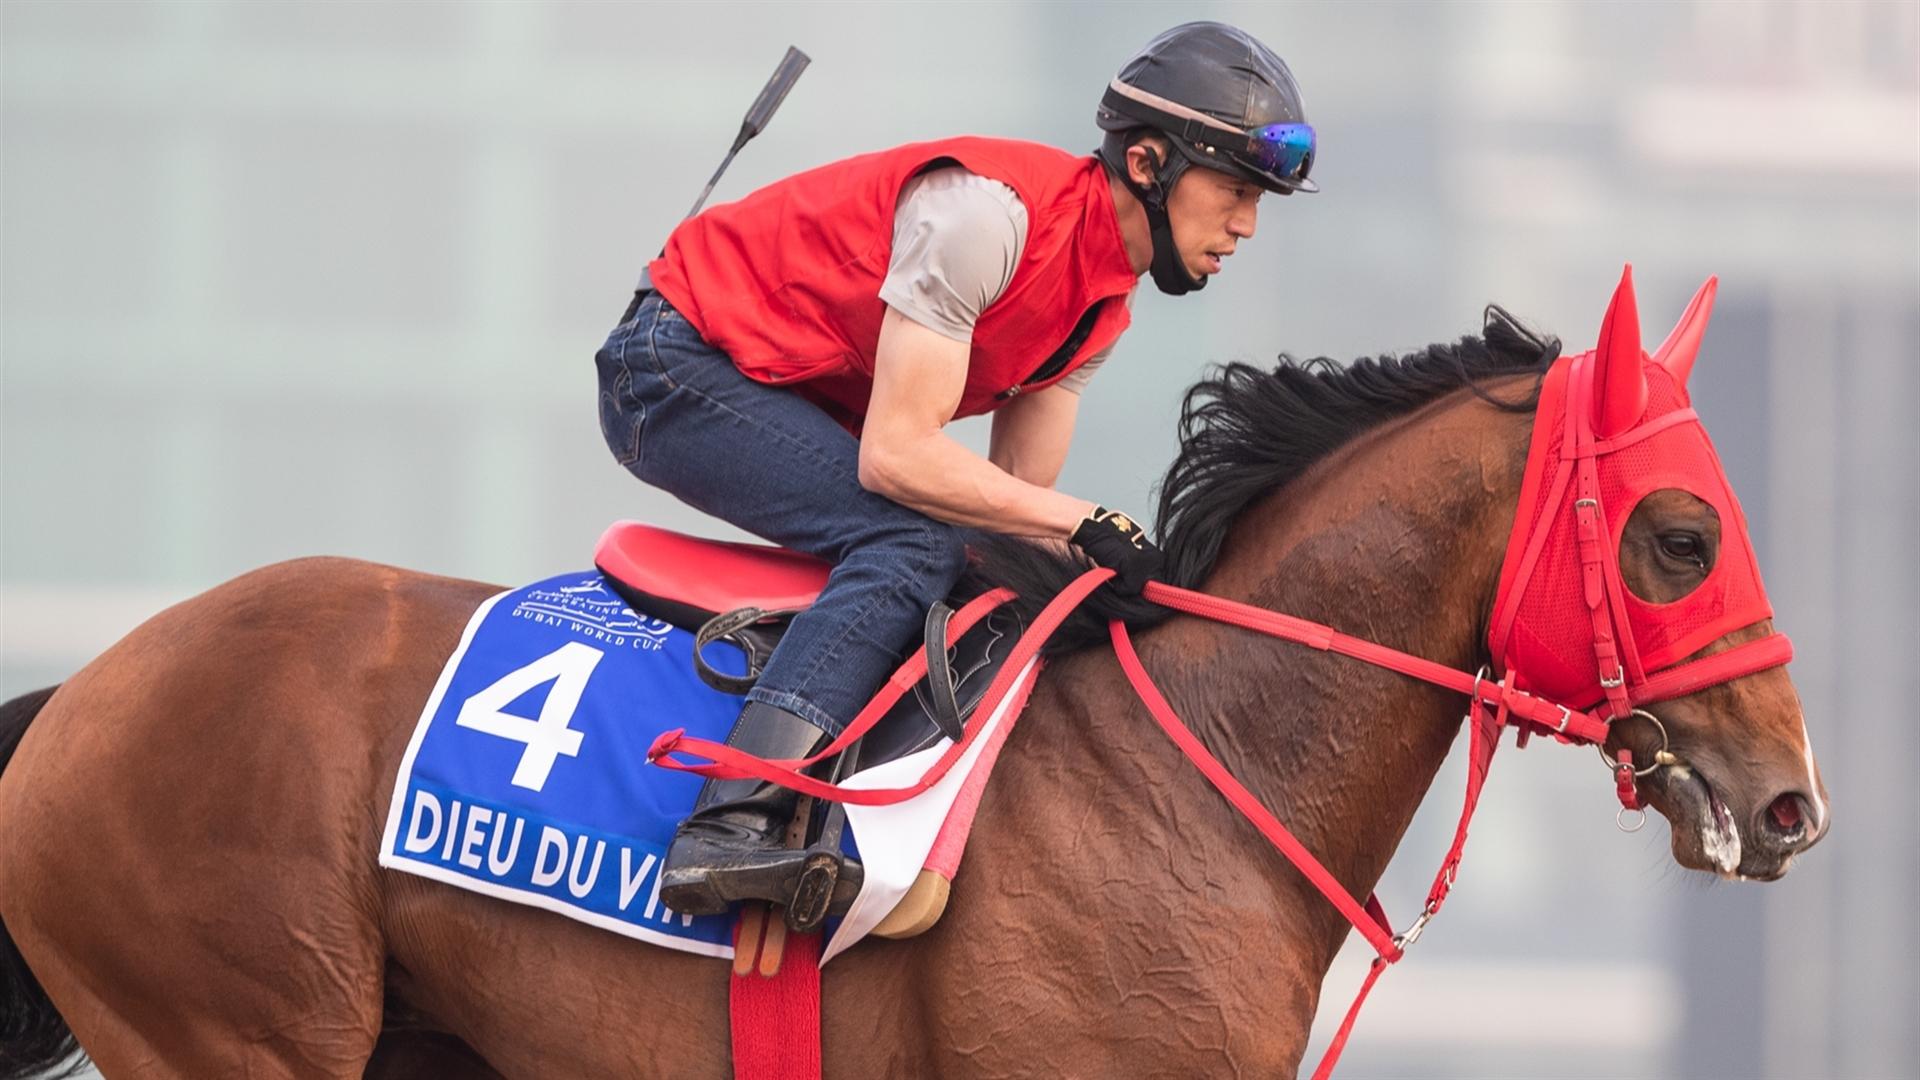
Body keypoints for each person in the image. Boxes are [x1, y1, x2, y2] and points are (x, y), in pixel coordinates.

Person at [593, 21, 1317, 916]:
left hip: (773, 390)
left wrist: (1109, 571)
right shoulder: (986, 218)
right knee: (910, 541)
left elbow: (1014, 513)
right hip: (670, 366)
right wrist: (1078, 522)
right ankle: (728, 824)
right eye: (1235, 191)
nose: (1245, 225)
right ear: (1148, 165)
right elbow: (898, 457)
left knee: (994, 571)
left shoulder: (1100, 310)